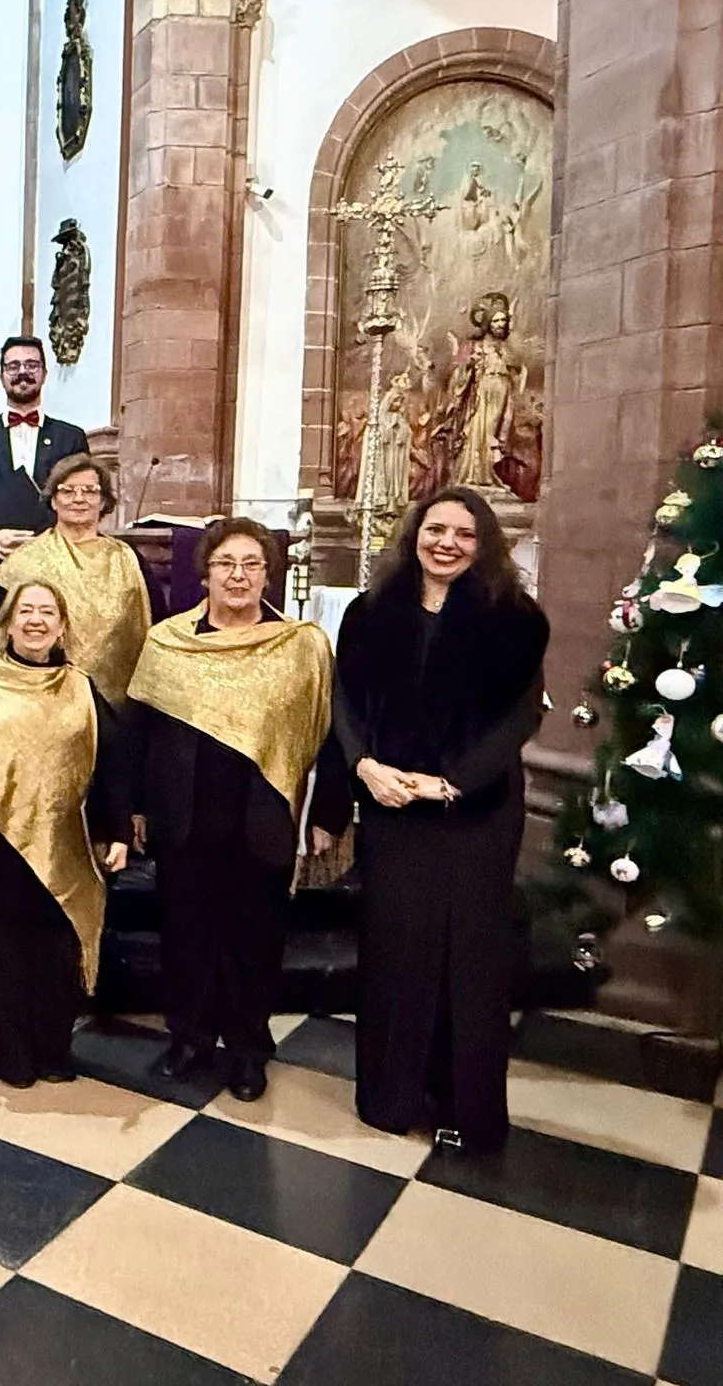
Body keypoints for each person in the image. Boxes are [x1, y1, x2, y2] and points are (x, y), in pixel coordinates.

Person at [333, 487, 547, 1153]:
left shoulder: (515, 618)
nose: (446, 543)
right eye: (435, 529)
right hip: (395, 807)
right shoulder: (369, 613)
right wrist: (364, 766)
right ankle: (393, 1097)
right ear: (414, 535)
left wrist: (455, 781)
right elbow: (344, 698)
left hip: (474, 812)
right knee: (395, 951)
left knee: (470, 958)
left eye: (463, 533)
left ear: (483, 546)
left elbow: (523, 715)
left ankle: (466, 1105)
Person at [127, 518, 348, 1102]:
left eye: (252, 564)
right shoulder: (168, 641)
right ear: (205, 573)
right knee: (186, 935)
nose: (238, 575)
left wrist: (327, 813)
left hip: (265, 813)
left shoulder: (300, 646)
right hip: (186, 813)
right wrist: (139, 807)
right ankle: (191, 1039)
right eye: (226, 563)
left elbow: (332, 732)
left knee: (256, 938)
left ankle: (248, 1050)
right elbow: (142, 731)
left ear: (269, 575)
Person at [0, 580, 131, 1087]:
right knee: (1, 953)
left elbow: (113, 761)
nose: (35, 620)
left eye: (47, 612)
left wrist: (116, 830)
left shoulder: (82, 687)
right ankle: (8, 1057)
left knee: (58, 950)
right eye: (25, 611)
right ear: (7, 622)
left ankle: (53, 1050)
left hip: (66, 840)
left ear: (62, 625)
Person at [0, 454, 155, 703]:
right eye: (67, 491)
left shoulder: (129, 560)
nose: (79, 499)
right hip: (41, 699)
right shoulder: (25, 560)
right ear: (53, 501)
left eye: (90, 491)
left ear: (103, 501)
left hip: (119, 705)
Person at [0, 337, 91, 579]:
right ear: (2, 376)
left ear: (44, 374)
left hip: (54, 563)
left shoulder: (71, 437)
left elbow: (82, 495)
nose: (22, 372)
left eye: (32, 365)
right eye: (13, 366)